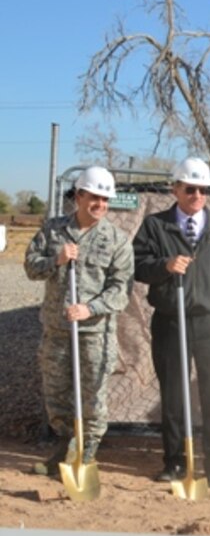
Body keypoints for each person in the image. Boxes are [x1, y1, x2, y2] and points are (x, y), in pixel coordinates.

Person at [132, 157, 210, 488]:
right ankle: (175, 461)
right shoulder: (155, 226)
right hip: (171, 322)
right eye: (189, 189)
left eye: (202, 189)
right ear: (175, 189)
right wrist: (164, 266)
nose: (196, 195)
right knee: (173, 395)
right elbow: (138, 266)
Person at [24, 166, 134, 476]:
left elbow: (121, 289)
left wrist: (90, 308)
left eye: (105, 200)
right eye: (94, 198)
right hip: (57, 331)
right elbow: (31, 268)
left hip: (94, 333)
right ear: (79, 195)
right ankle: (63, 448)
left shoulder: (116, 240)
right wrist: (55, 260)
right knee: (56, 393)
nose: (100, 205)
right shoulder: (53, 230)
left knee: (93, 396)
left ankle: (86, 456)